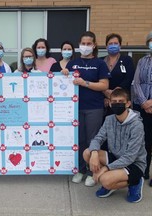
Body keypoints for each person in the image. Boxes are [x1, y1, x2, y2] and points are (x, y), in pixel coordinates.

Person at [83, 88, 146, 203]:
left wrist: (105, 169)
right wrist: (94, 152)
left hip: (134, 163)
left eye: (121, 101)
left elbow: (130, 157)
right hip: (116, 157)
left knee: (105, 180)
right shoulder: (109, 119)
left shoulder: (137, 125)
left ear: (128, 103)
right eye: (114, 102)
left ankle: (135, 181)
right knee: (87, 153)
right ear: (110, 103)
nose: (117, 104)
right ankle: (111, 183)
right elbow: (98, 138)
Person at [63, 31, 110, 186]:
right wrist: (63, 73)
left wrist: (85, 83)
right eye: (83, 43)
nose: (85, 46)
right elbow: (63, 83)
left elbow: (104, 85)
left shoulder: (100, 63)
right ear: (79, 45)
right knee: (79, 140)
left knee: (93, 140)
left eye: (89, 43)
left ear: (94, 45)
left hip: (94, 108)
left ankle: (92, 171)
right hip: (75, 108)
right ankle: (80, 169)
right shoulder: (72, 63)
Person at [133, 31, 152, 185]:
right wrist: (144, 102)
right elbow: (136, 82)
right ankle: (144, 170)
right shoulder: (143, 61)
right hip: (142, 105)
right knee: (144, 141)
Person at [102, 33, 135, 115]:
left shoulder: (127, 60)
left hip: (121, 100)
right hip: (104, 101)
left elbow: (129, 78)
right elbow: (96, 79)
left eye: (116, 43)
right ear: (106, 47)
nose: (113, 45)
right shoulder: (100, 61)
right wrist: (105, 92)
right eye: (110, 44)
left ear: (120, 46)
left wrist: (114, 93)